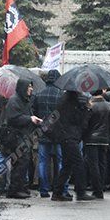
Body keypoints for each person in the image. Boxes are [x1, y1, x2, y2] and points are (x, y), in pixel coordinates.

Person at [0, 79, 42, 199]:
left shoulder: (25, 101)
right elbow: (13, 118)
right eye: (29, 87)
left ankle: (21, 187)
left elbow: (26, 115)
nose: (31, 89)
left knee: (24, 163)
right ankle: (14, 190)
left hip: (24, 136)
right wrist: (29, 119)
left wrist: (34, 120)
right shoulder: (14, 100)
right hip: (17, 137)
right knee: (19, 163)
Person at [50, 90, 92, 201]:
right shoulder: (75, 102)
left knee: (67, 166)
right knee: (79, 163)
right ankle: (80, 192)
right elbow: (78, 121)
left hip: (65, 136)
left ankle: (57, 192)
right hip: (70, 137)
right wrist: (86, 109)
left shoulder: (64, 100)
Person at [31, 70, 63, 198]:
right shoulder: (62, 95)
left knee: (43, 161)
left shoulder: (39, 94)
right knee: (60, 161)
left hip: (43, 131)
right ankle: (60, 188)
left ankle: (43, 189)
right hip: (59, 133)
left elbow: (33, 112)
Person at [84, 90, 110, 199]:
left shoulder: (90, 106)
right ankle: (101, 188)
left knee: (93, 165)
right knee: (102, 163)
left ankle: (97, 189)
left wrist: (85, 134)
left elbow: (85, 123)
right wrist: (107, 133)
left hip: (90, 139)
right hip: (104, 139)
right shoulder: (109, 106)